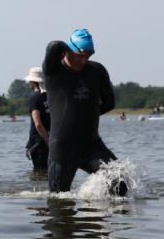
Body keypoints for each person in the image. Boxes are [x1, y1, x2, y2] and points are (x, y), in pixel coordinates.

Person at [42, 28, 126, 195]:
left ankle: (99, 216)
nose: (83, 60)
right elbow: (53, 46)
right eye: (80, 55)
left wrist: (85, 116)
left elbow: (109, 103)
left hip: (91, 145)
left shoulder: (96, 71)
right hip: (62, 148)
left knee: (119, 182)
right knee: (59, 200)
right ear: (68, 51)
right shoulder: (54, 71)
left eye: (88, 55)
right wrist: (68, 47)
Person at [24, 66, 50, 173]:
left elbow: (38, 124)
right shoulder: (50, 96)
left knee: (39, 174)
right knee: (49, 173)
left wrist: (48, 142)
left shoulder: (35, 98)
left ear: (33, 82)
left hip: (39, 142)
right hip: (51, 139)